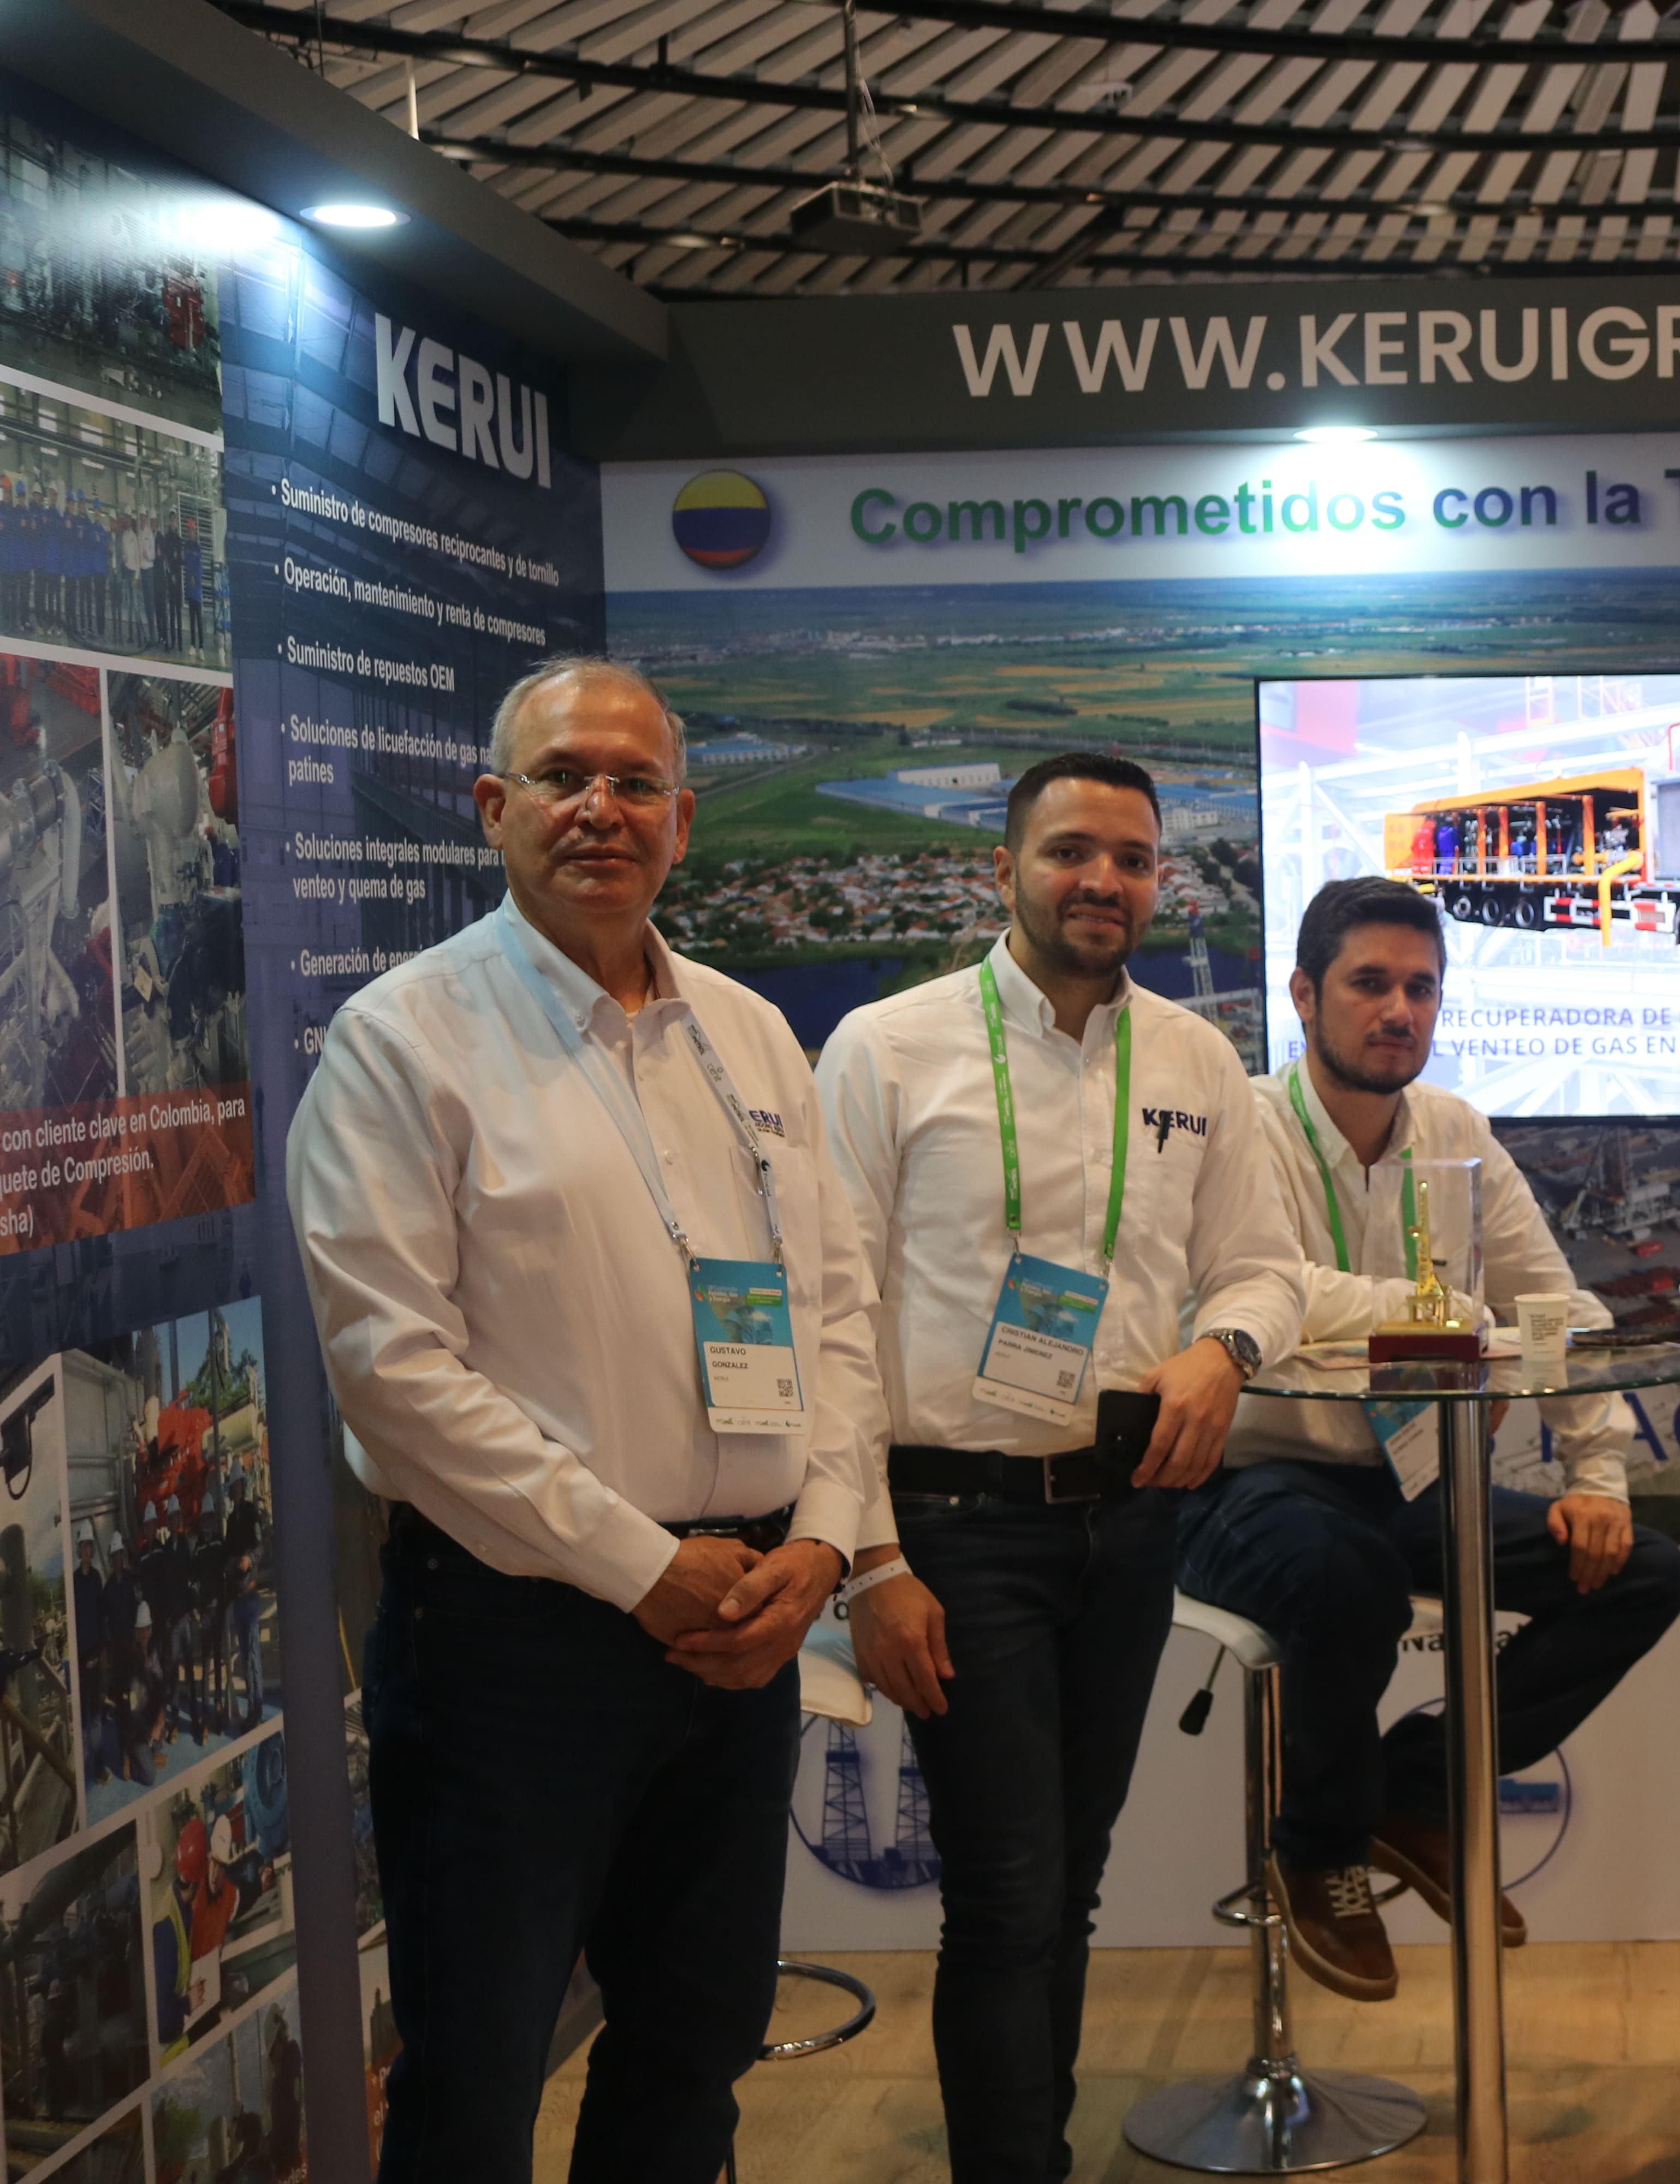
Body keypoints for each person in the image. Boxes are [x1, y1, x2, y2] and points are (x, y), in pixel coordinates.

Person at [289, 655, 880, 2183]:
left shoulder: (753, 1034)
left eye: (634, 783)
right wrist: (641, 1564)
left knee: (693, 2052)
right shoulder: (402, 1042)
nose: (599, 809)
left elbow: (834, 1313)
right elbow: (394, 1379)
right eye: (562, 777)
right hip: (515, 1644)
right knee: (476, 2080)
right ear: (494, 808)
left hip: (743, 1625)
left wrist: (823, 1544)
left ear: (684, 820)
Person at [820, 752, 1308, 2181]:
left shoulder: (1196, 1059)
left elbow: (1265, 1266)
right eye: (1070, 851)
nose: (1104, 880)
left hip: (1130, 1521)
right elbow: (830, 1316)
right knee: (1007, 1890)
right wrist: (869, 1558)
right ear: (1005, 869)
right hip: (953, 1524)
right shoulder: (887, 1048)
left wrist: (1224, 1349)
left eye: (1133, 859)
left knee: (1069, 1885)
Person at [1178, 876, 1680, 2000]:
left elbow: (1553, 1304)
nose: (1398, 1010)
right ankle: (1320, 1847)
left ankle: (1412, 1789)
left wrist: (1598, 1475)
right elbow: (1267, 1290)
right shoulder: (1241, 1125)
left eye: (1421, 988)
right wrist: (1446, 1314)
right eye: (1370, 983)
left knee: (1641, 1573)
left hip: (1400, 1481)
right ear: (1304, 994)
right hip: (1243, 1485)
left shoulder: (1456, 1131)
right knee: (1344, 1572)